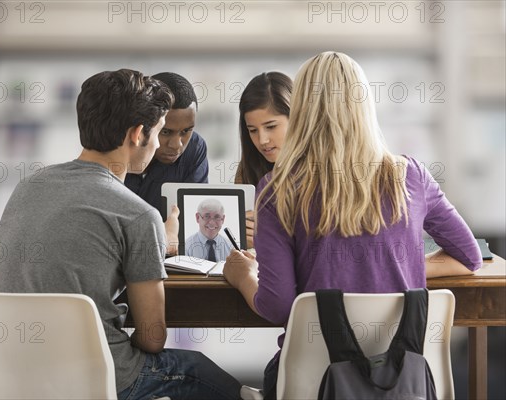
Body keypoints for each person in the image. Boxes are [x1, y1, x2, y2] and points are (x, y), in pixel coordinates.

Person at [223, 52, 483, 399]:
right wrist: (391, 262)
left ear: (300, 111)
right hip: (404, 379)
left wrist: (243, 277)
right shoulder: (412, 176)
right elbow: (469, 257)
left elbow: (279, 305)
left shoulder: (277, 189)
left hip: (315, 382)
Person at [0, 69, 241, 400]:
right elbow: (152, 338)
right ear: (138, 134)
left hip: (13, 376)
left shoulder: (26, 187)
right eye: (158, 133)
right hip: (99, 377)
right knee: (202, 374)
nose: (162, 145)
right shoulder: (138, 214)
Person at [125, 72, 208, 215]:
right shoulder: (119, 146)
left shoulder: (195, 147)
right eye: (165, 132)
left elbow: (194, 219)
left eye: (186, 131)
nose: (176, 145)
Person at [234, 72, 292, 248]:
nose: (262, 140)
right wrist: (243, 237)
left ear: (297, 118)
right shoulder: (248, 168)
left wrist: (268, 237)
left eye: (271, 126)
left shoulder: (319, 168)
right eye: (252, 130)